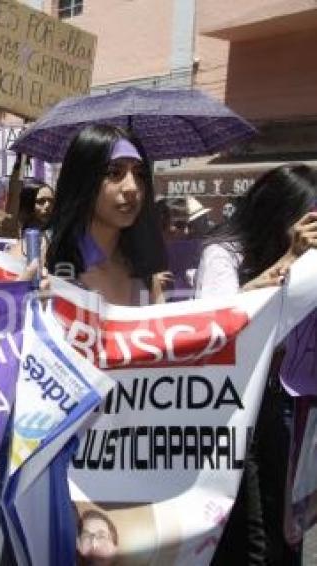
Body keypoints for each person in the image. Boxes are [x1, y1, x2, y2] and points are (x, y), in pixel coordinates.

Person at [194, 164, 317, 565]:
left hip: (286, 401)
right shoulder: (223, 253)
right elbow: (220, 325)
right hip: (237, 409)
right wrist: (289, 258)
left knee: (288, 528)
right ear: (281, 213)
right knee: (254, 536)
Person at [45, 123, 166, 306]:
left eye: (140, 174)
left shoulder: (145, 273)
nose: (132, 187)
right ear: (82, 179)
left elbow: (162, 331)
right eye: (114, 173)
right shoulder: (36, 256)